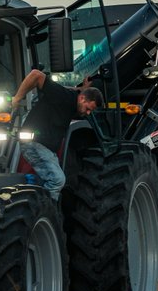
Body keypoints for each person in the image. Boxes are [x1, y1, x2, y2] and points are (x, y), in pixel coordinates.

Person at [10, 69, 104, 201]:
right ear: (82, 98)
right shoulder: (62, 96)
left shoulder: (73, 100)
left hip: (46, 148)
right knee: (57, 180)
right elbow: (36, 75)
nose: (88, 113)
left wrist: (82, 88)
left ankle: (33, 202)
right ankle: (47, 213)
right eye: (88, 109)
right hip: (35, 143)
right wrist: (17, 98)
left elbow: (71, 90)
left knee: (47, 180)